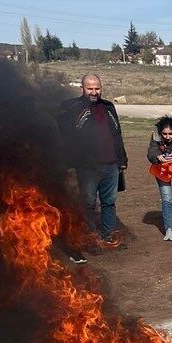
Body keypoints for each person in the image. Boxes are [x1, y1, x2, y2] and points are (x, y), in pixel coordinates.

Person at [59, 73, 128, 245]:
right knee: (88, 203)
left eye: (97, 88)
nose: (94, 92)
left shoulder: (109, 107)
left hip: (111, 165)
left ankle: (108, 234)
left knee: (109, 202)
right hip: (87, 167)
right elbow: (65, 137)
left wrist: (122, 159)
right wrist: (70, 163)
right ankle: (90, 235)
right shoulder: (72, 108)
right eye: (90, 88)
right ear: (81, 88)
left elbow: (117, 134)